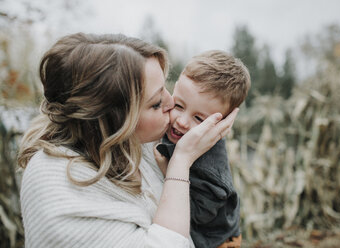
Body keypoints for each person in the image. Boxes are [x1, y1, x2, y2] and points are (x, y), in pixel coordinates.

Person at [18, 33, 239, 248]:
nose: (171, 104)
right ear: (114, 121)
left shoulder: (136, 142)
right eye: (155, 103)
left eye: (165, 89)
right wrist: (181, 162)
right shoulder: (57, 188)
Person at [155, 50, 250, 248]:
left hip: (219, 242)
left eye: (199, 119)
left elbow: (200, 215)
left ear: (221, 125)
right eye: (179, 105)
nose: (181, 121)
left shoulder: (211, 171)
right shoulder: (170, 124)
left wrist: (168, 170)